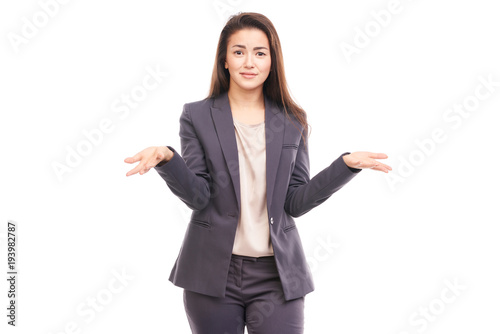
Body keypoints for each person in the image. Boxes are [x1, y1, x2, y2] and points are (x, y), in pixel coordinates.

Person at [124, 12, 391, 334]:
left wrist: (345, 166)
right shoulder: (196, 115)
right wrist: (168, 159)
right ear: (224, 59)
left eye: (259, 53)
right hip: (211, 273)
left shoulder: (293, 120)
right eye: (239, 51)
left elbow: (295, 203)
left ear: (272, 60)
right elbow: (199, 196)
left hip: (277, 275)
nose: (249, 62)